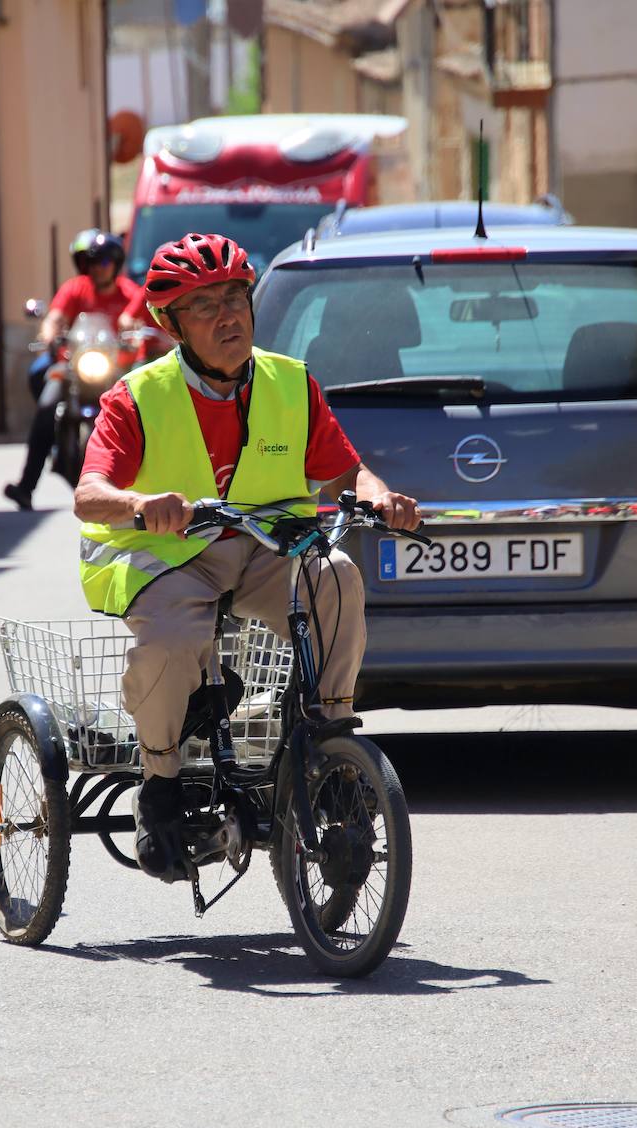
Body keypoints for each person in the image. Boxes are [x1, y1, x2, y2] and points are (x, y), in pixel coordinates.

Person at [74, 232, 422, 880]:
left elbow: (346, 473)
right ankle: (161, 785)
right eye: (205, 305)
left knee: (338, 576)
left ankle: (333, 744)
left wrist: (380, 498)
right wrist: (143, 501)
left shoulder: (289, 384)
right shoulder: (137, 396)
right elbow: (89, 495)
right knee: (176, 641)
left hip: (267, 549)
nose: (228, 314)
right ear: (172, 323)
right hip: (170, 555)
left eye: (236, 296)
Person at [4, 229, 155, 511]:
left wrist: (139, 337)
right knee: (47, 405)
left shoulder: (130, 294)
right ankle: (26, 486)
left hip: (116, 370)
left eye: (104, 262)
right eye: (91, 262)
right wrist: (50, 334)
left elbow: (144, 325)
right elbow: (55, 317)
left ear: (116, 263)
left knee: (144, 408)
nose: (97, 268)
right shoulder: (75, 288)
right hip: (74, 366)